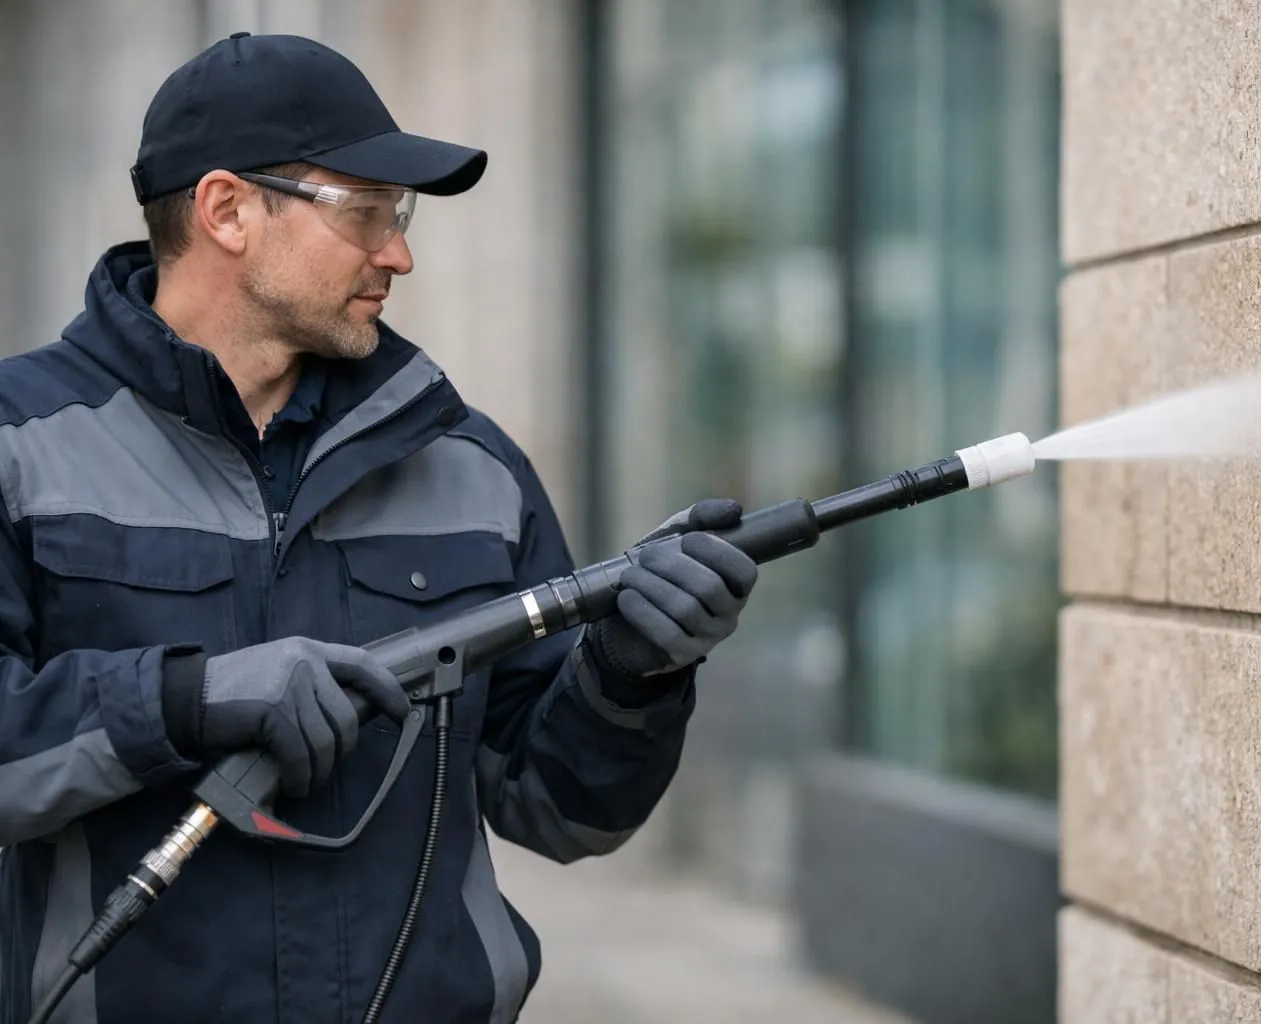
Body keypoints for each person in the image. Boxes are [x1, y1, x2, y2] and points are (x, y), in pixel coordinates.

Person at [0, 31, 758, 1024]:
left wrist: (633, 671)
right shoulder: (20, 447)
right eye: (364, 212)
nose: (398, 252)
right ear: (227, 211)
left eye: (398, 216)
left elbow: (566, 813)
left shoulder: (471, 467)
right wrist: (186, 700)